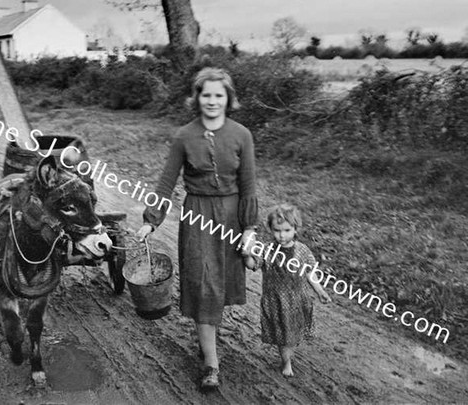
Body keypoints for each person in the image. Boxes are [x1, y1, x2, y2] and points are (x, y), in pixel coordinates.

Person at [136, 67, 258, 390]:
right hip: (198, 217)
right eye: (207, 95)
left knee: (221, 285)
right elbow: (165, 183)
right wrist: (151, 221)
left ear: (229, 99)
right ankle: (211, 365)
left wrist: (250, 228)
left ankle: (207, 338)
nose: (212, 101)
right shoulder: (184, 136)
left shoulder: (242, 135)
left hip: (231, 216)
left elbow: (248, 185)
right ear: (197, 97)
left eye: (219, 95)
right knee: (204, 286)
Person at [243, 203, 331, 377]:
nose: (282, 235)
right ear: (271, 229)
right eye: (277, 230)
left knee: (294, 332)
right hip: (277, 302)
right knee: (283, 336)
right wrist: (247, 254)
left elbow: (310, 272)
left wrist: (320, 291)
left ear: (295, 229)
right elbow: (253, 265)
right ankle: (286, 362)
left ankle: (289, 352)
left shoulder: (302, 251)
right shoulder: (268, 250)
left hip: (298, 300)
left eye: (286, 230)